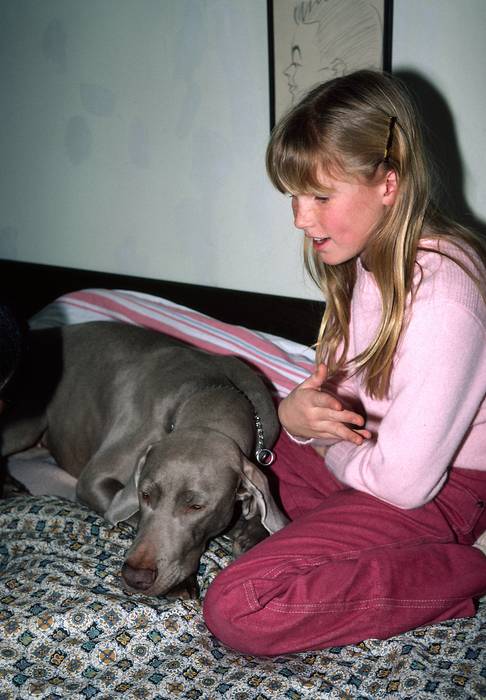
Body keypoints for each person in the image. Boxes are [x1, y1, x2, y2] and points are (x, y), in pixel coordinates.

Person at [203, 70, 486, 655]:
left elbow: (406, 485)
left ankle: (463, 568)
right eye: (294, 198)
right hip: (378, 461)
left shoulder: (445, 300)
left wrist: (327, 446)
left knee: (241, 607)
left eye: (320, 198)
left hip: (444, 488)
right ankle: (354, 542)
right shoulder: (368, 260)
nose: (300, 221)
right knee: (244, 467)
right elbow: (332, 398)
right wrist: (297, 418)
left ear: (390, 183)